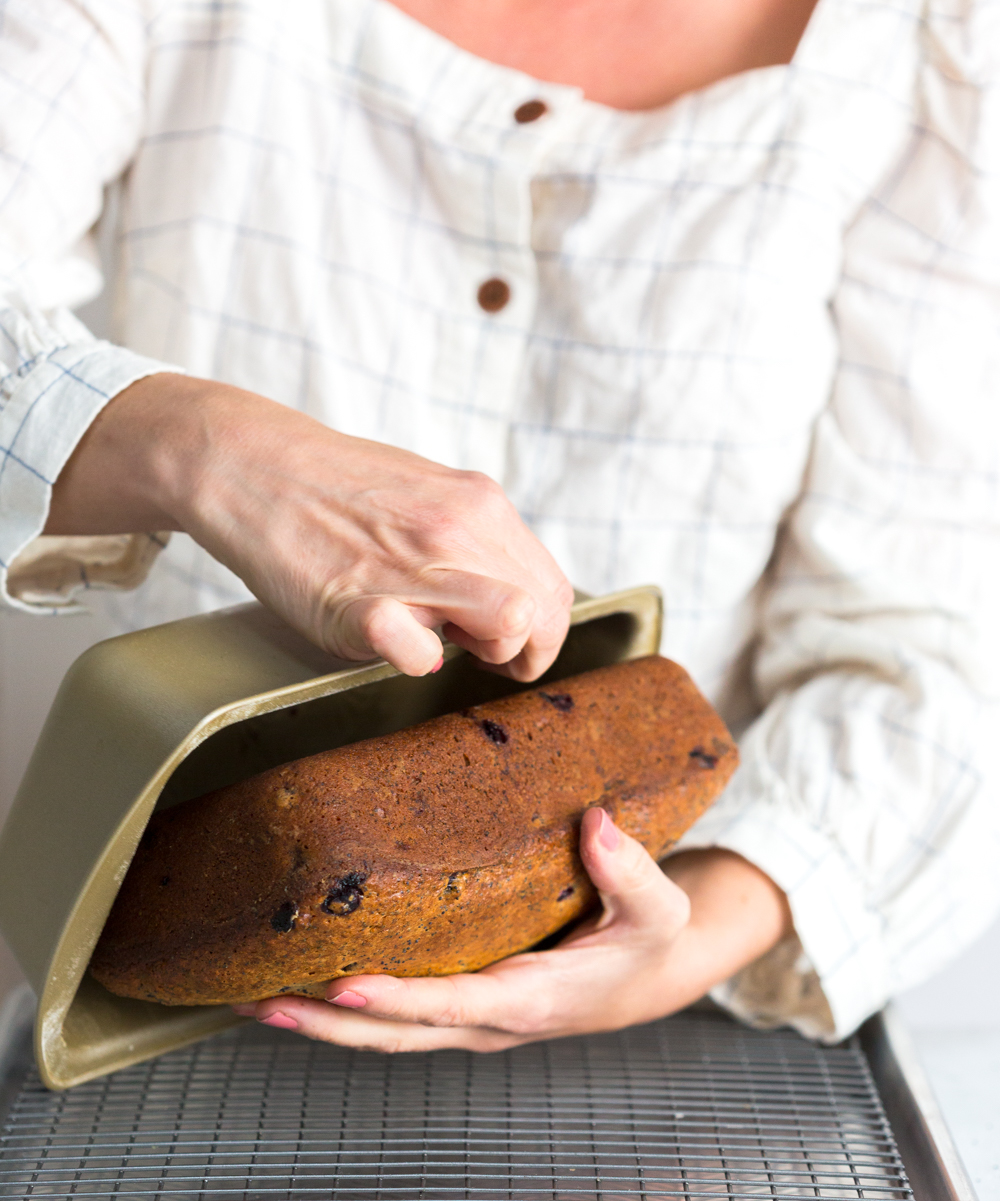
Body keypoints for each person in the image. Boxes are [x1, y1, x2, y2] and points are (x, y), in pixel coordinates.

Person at [0, 0, 997, 1053]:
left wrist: (696, 930)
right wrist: (200, 446)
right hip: (187, 1016)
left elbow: (938, 642)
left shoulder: (936, 54)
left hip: (672, 1027)